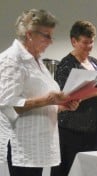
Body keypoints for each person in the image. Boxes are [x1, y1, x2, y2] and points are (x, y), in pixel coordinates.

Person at [0, 9, 79, 176]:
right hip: (22, 142)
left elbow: (43, 102)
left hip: (40, 143)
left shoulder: (37, 61)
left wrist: (62, 106)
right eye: (46, 36)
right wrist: (48, 100)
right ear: (29, 34)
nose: (50, 42)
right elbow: (6, 107)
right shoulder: (12, 59)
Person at [50, 20, 97, 176]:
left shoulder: (94, 62)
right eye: (85, 42)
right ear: (74, 41)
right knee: (71, 169)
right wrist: (96, 92)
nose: (89, 46)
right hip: (74, 129)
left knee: (92, 170)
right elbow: (63, 98)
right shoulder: (66, 65)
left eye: (91, 42)